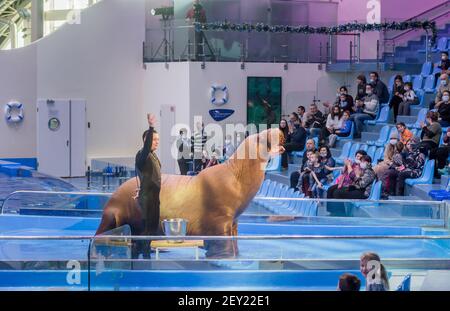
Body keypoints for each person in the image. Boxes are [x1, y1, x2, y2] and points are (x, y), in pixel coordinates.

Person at [134, 113, 161, 257]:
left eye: (158, 140)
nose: (157, 142)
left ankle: (142, 249)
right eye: (154, 139)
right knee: (146, 226)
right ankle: (142, 251)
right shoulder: (142, 155)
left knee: (152, 226)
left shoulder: (153, 155)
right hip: (147, 197)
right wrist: (151, 127)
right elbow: (146, 148)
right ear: (146, 140)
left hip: (153, 197)